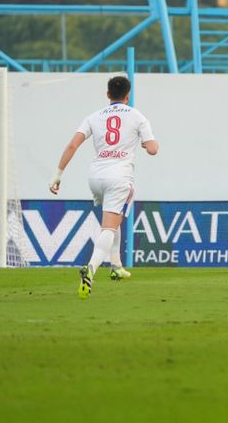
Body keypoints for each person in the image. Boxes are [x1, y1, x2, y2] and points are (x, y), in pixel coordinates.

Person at [49, 75, 158, 299]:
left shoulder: (94, 116)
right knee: (109, 226)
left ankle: (116, 266)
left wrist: (57, 175)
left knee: (113, 217)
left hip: (95, 177)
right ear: (128, 96)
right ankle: (90, 270)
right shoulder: (137, 116)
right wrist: (149, 144)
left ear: (108, 95)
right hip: (119, 177)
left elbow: (73, 144)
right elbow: (153, 148)